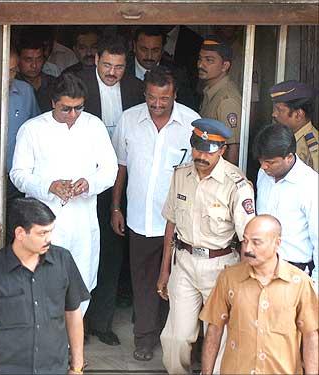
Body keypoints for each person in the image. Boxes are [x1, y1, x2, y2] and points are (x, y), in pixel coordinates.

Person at [10, 73, 118, 314]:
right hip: (44, 224)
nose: (72, 115)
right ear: (52, 103)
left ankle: (71, 344)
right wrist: (49, 186)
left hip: (82, 223)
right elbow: (18, 175)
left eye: (78, 108)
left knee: (81, 284)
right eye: (65, 109)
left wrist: (89, 183)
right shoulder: (32, 130)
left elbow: (110, 171)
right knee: (41, 284)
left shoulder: (94, 126)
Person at [111, 66, 200, 361]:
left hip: (181, 222)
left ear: (175, 94)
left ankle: (174, 341)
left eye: (164, 98)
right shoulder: (128, 120)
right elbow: (120, 167)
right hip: (140, 218)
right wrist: (115, 207)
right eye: (152, 98)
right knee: (144, 282)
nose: (157, 104)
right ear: (145, 93)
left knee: (178, 284)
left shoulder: (191, 123)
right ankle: (145, 339)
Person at [158, 118, 255, 374]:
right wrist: (164, 271)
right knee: (175, 338)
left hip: (222, 268)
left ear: (222, 149)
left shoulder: (237, 184)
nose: (201, 155)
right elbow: (171, 224)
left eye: (208, 150)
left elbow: (248, 239)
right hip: (185, 263)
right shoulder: (181, 175)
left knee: (220, 339)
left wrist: (244, 282)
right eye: (197, 148)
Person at [72, 35, 143, 346]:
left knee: (111, 253)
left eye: (119, 66)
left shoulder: (135, 89)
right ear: (95, 60)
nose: (113, 72)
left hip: (121, 184)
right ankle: (78, 324)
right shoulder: (77, 83)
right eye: (107, 65)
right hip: (82, 182)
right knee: (77, 253)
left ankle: (102, 322)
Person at [0, 197, 90, 374]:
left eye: (50, 231)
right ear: (20, 233)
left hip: (53, 369)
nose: (49, 238)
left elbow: (73, 314)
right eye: (42, 233)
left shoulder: (63, 261)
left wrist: (77, 367)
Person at [200, 214, 318, 375]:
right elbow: (214, 330)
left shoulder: (299, 283)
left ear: (277, 243)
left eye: (256, 242)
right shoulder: (228, 278)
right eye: (245, 241)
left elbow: (310, 336)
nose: (248, 249)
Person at [253, 123, 318, 287]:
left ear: (289, 157)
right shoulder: (263, 174)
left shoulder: (310, 185)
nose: (263, 166)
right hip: (259, 269)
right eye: (261, 161)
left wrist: (315, 287)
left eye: (270, 162)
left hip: (293, 274)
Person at [127, 26, 198, 110]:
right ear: (134, 47)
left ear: (163, 49)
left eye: (155, 50)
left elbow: (187, 108)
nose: (149, 56)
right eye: (144, 49)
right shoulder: (121, 69)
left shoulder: (177, 74)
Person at [198, 35, 242, 165]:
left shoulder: (227, 99)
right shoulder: (210, 91)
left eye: (209, 60)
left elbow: (233, 149)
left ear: (225, 66)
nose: (201, 64)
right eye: (200, 59)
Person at [7, 47, 40, 201]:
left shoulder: (25, 91)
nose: (7, 76)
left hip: (20, 174)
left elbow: (38, 133)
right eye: (3, 69)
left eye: (12, 70)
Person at [270, 80, 318, 172]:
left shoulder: (312, 149)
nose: (274, 114)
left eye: (279, 110)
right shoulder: (286, 138)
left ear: (298, 115)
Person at [16, 33, 55, 112]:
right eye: (28, 60)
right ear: (17, 59)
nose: (34, 65)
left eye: (39, 59)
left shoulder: (55, 84)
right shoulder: (13, 87)